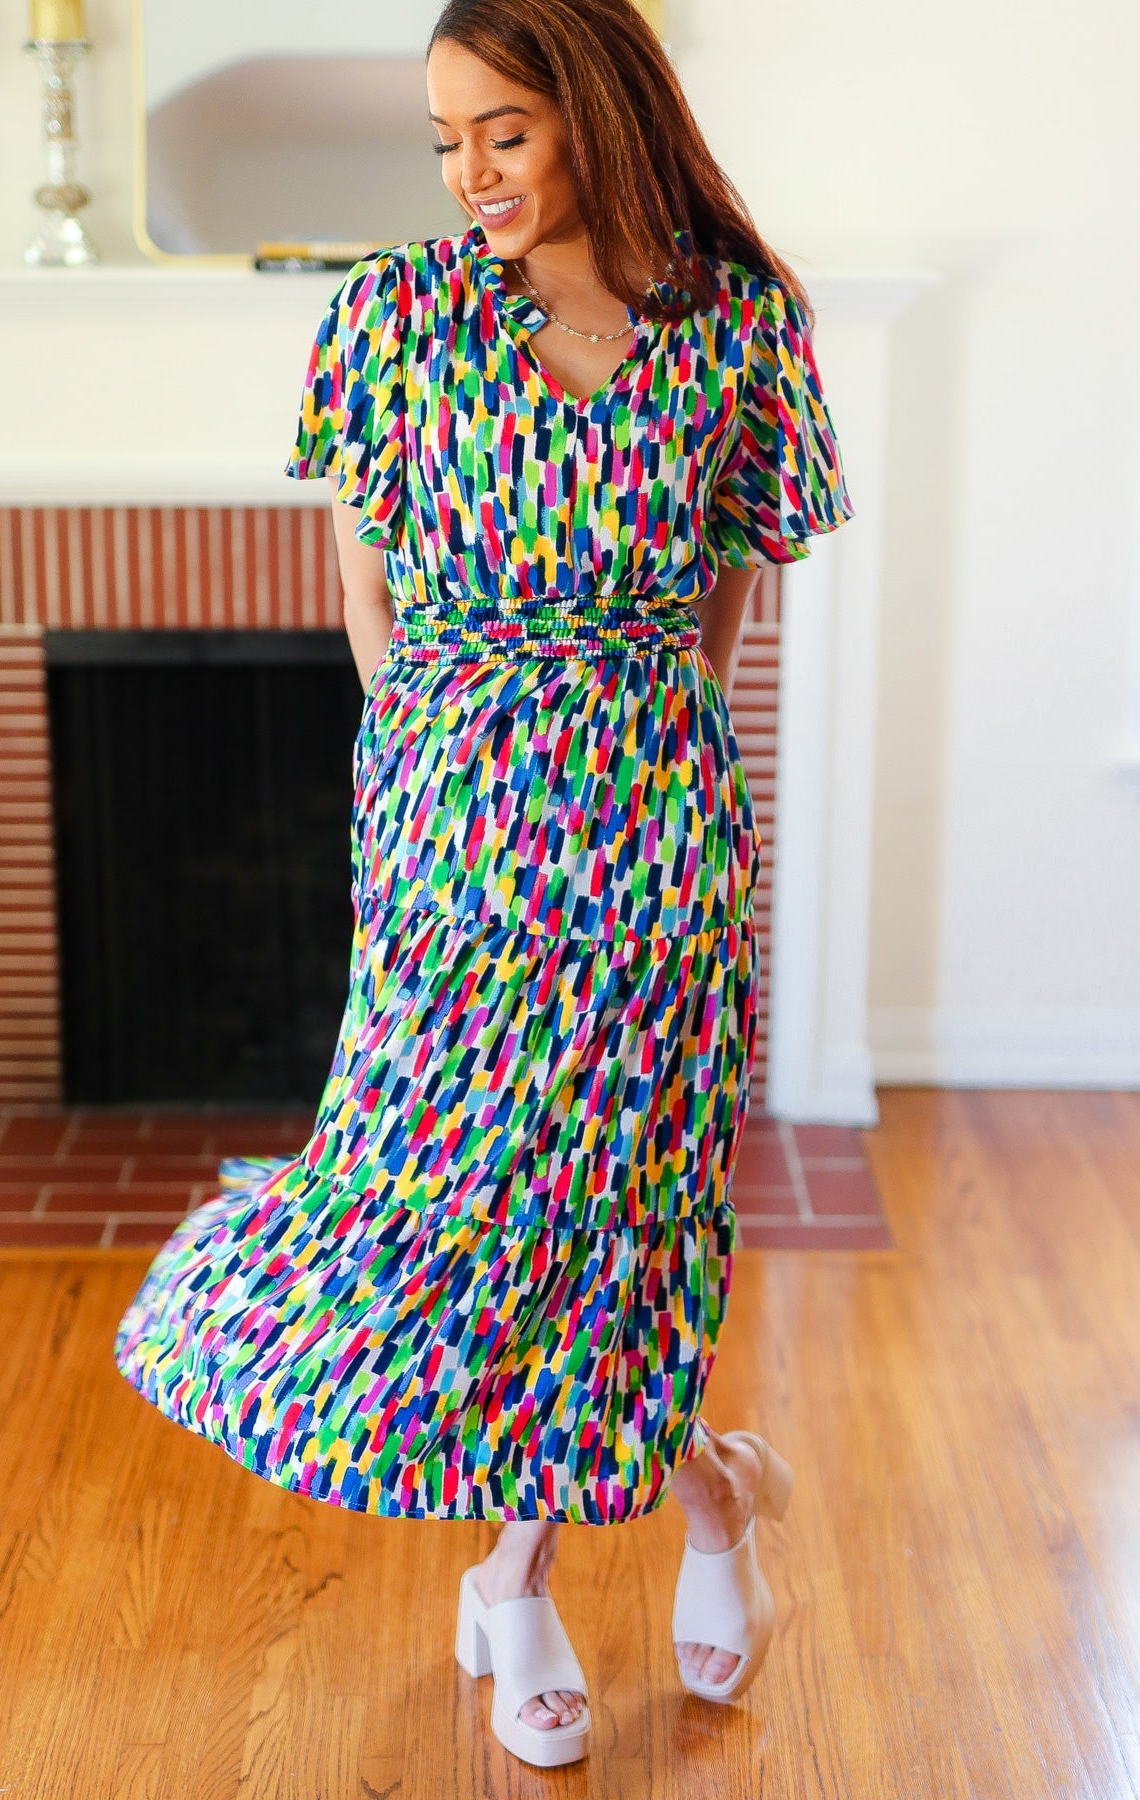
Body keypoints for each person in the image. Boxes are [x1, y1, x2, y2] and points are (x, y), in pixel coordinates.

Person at [113, 0, 853, 1772]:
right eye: (446, 140)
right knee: (445, 1207)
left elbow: (722, 610)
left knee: (613, 1210)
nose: (469, 173)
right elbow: (367, 601)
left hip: (657, 842)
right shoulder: (393, 315)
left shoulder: (744, 327)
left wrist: (633, 754)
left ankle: (514, 1578)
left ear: (599, 110)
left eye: (503, 132)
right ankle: (711, 1491)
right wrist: (444, 787)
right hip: (455, 829)